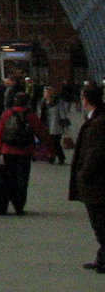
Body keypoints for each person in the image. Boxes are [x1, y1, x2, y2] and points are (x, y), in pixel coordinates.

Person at [0, 91, 53, 214]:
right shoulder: (30, 116)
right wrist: (50, 150)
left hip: (8, 151)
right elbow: (42, 133)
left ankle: (10, 200)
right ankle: (19, 205)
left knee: (10, 177)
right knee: (22, 179)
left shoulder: (6, 114)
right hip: (25, 152)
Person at [69, 83, 105, 271]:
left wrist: (84, 174)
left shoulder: (99, 123)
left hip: (96, 183)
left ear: (87, 100)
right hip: (95, 182)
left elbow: (95, 153)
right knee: (99, 222)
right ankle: (101, 258)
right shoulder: (97, 119)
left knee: (100, 222)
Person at [42, 85, 70, 164]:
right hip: (47, 125)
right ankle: (52, 156)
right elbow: (42, 114)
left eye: (46, 92)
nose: (44, 94)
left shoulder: (58, 102)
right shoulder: (43, 102)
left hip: (56, 125)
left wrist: (65, 126)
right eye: (44, 92)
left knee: (56, 142)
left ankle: (60, 157)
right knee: (50, 142)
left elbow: (63, 114)